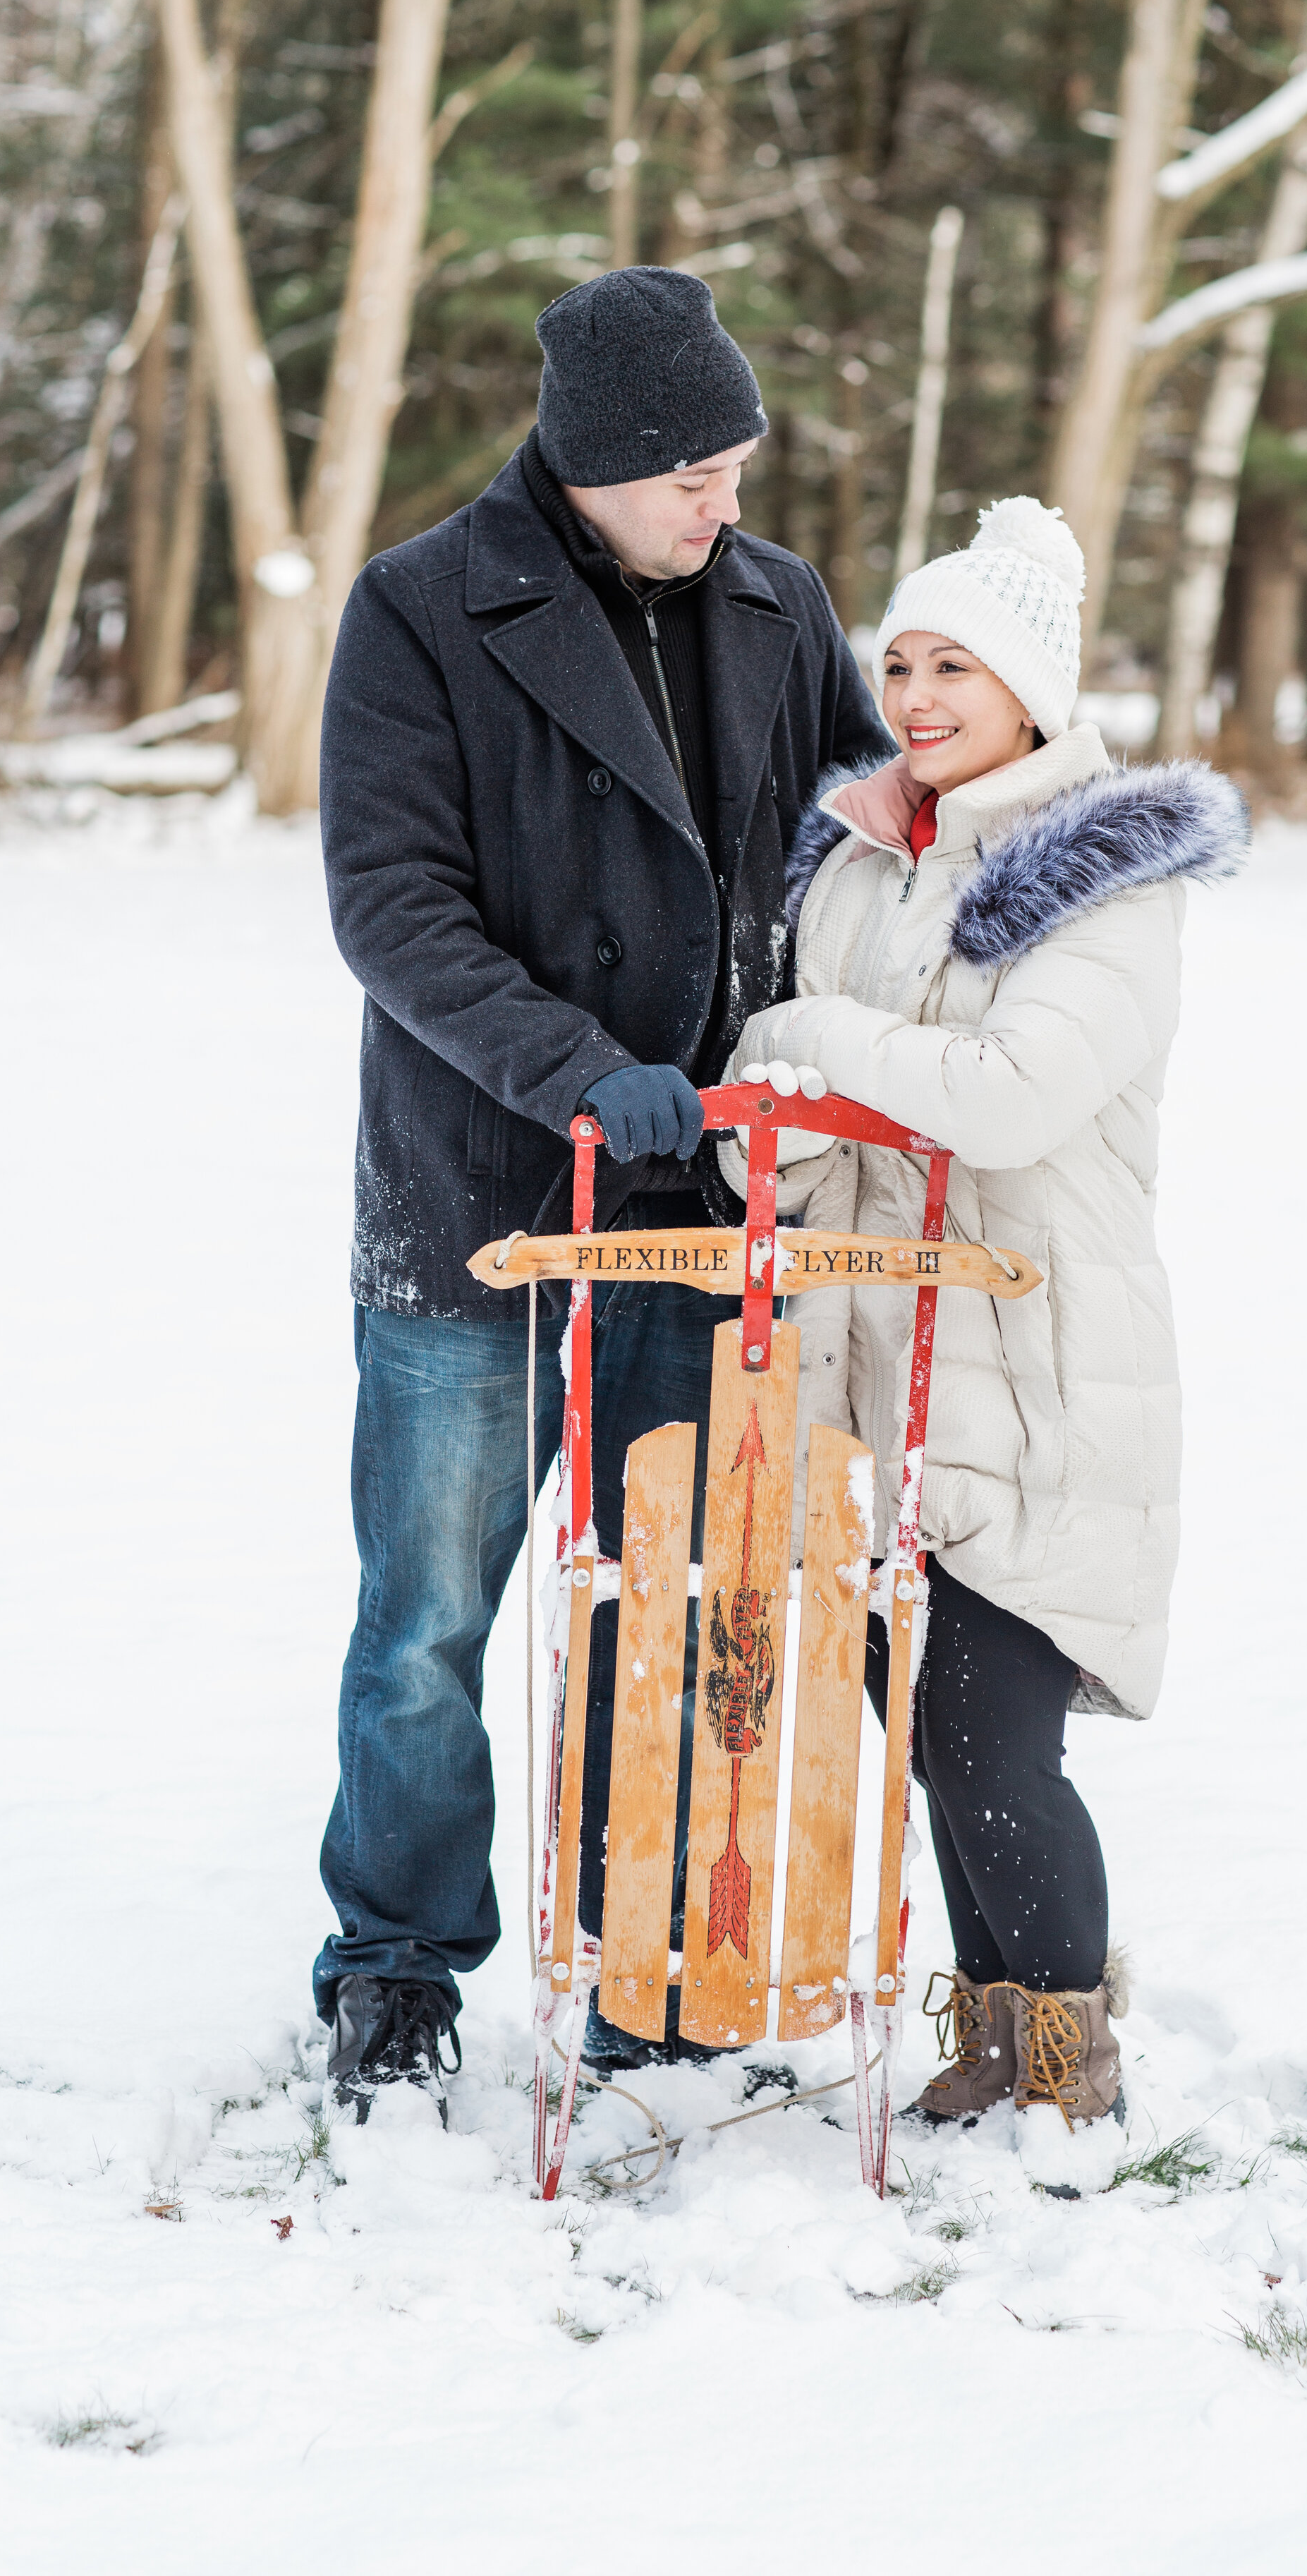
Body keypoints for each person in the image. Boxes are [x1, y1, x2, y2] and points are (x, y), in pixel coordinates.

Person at [315, 267, 889, 2121]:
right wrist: (572, 1062)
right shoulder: (420, 609)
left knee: (674, 1586)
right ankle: (395, 1963)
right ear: (584, 459)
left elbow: (850, 837)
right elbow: (391, 906)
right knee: (429, 1611)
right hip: (483, 1190)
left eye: (734, 462)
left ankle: (647, 1947)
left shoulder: (778, 599)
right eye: (684, 474)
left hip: (700, 1189)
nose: (718, 499)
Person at [725, 497, 1246, 2129]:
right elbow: (837, 1112)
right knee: (932, 1726)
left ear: (1035, 685)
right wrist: (785, 1114)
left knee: (987, 1726)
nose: (920, 695)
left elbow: (1013, 1097)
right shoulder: (867, 864)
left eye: (958, 663)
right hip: (879, 1359)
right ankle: (996, 2041)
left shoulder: (1098, 872)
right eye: (898, 664)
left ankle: (1065, 2072)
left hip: (1031, 1351)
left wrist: (807, 1030)